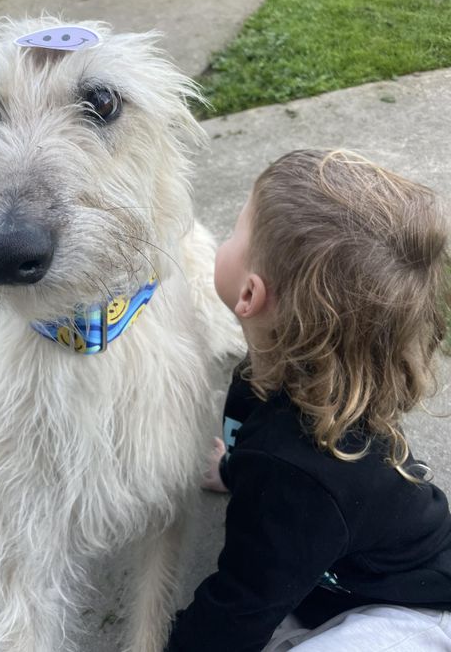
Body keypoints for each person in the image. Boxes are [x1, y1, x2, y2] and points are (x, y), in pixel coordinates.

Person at [164, 149, 451, 652]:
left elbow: (242, 602)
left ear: (250, 294)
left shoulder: (298, 471)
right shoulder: (281, 376)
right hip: (340, 569)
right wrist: (233, 471)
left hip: (411, 611)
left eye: (236, 231)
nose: (225, 239)